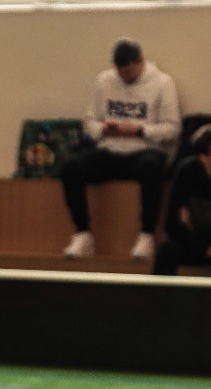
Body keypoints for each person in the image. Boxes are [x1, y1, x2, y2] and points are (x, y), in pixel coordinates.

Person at [61, 38, 181, 261]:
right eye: (120, 72)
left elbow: (172, 129)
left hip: (144, 150)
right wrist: (104, 129)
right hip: (110, 149)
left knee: (151, 167)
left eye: (129, 71)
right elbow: (89, 122)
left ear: (141, 61)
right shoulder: (104, 81)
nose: (125, 77)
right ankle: (82, 234)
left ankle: (146, 236)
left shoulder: (163, 83)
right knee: (71, 166)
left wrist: (139, 130)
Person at [152, 124, 211, 276]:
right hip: (193, 243)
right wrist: (204, 248)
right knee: (167, 249)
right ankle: (159, 291)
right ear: (203, 157)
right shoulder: (186, 172)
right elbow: (172, 225)